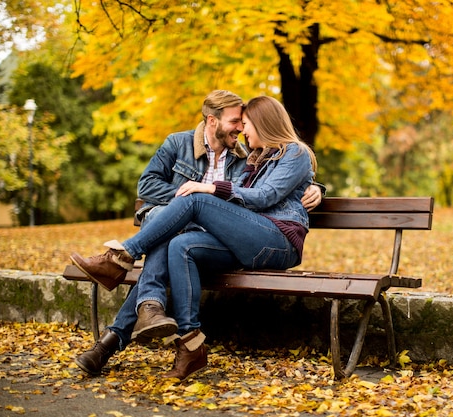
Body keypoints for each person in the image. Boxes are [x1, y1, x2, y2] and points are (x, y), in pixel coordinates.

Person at [71, 95, 320, 380]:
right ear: (212, 120)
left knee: (195, 200)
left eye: (246, 124)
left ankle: (120, 258)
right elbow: (151, 186)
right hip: (245, 239)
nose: (242, 130)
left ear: (264, 125)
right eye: (238, 123)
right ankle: (190, 345)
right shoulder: (252, 159)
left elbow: (266, 195)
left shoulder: (293, 153)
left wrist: (209, 188)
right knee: (180, 244)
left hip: (277, 241)